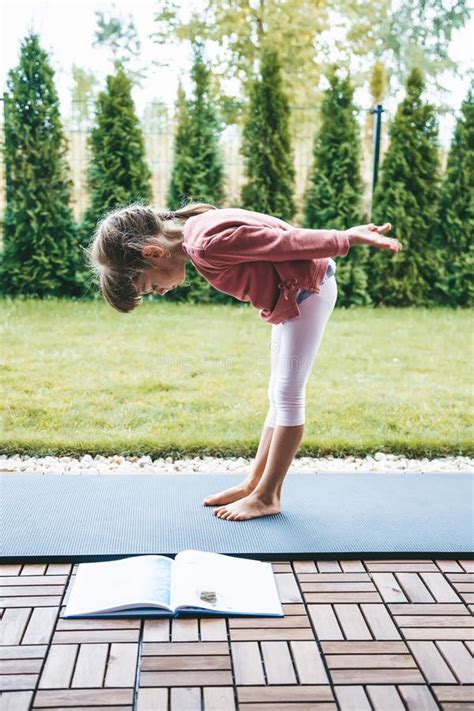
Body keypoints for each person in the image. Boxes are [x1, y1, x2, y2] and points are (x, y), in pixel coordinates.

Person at [87, 202, 402, 521]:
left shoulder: (206, 245)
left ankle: (268, 495)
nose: (161, 291)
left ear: (153, 254)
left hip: (308, 292)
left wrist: (345, 239)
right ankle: (254, 483)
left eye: (151, 287)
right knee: (277, 395)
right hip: (296, 295)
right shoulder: (201, 229)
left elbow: (284, 242)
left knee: (289, 395)